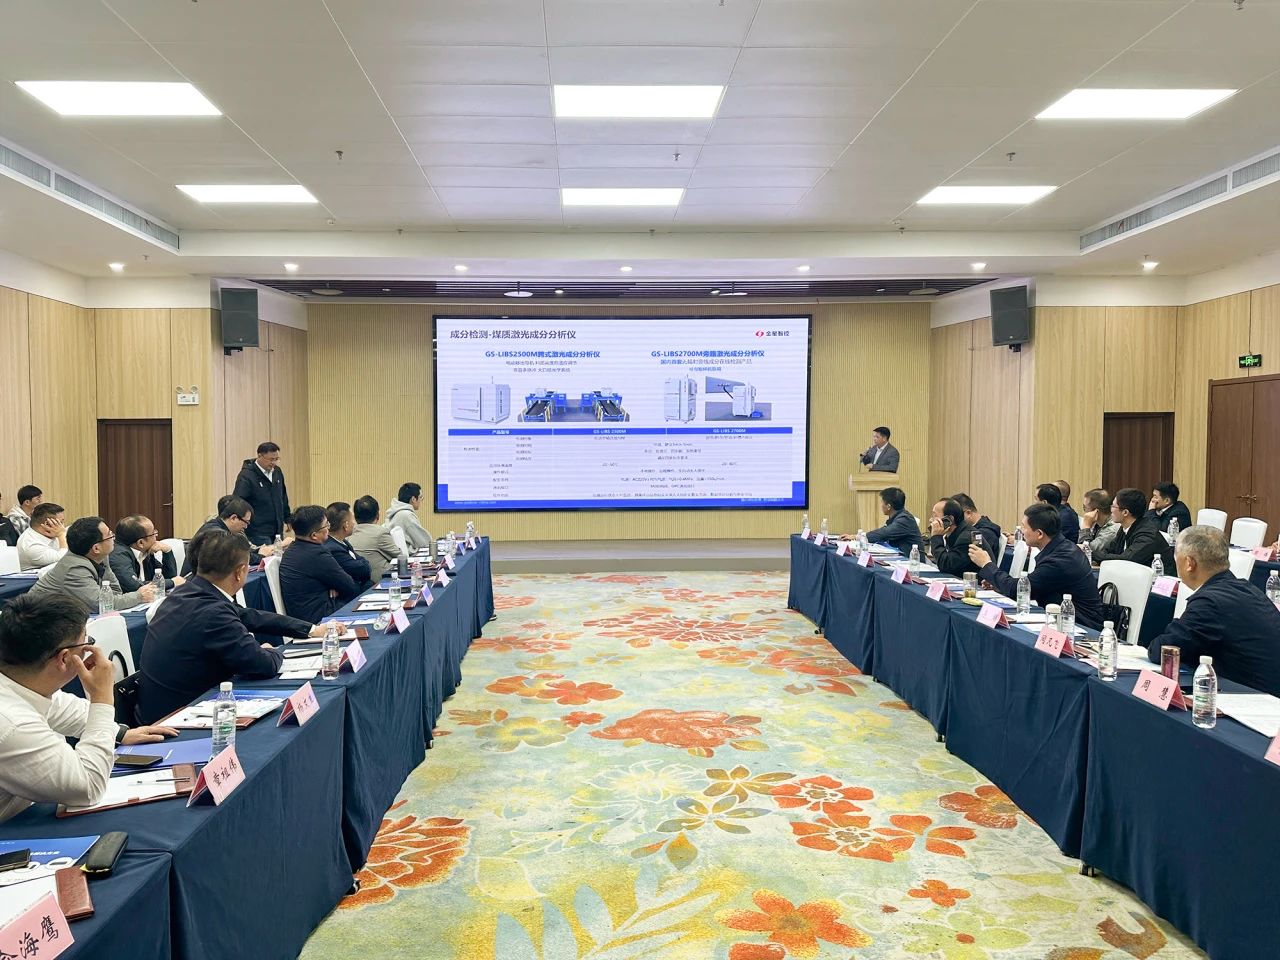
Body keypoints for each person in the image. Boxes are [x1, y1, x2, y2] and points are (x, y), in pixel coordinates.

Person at [0, 593, 178, 822]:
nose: (89, 650)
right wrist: (102, 697)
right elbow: (88, 787)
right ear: (65, 658)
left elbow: (65, 709)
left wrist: (119, 733)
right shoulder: (12, 724)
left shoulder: (20, 682)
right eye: (87, 643)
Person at [138, 530, 286, 724]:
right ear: (240, 572)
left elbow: (246, 619)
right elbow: (263, 665)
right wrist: (272, 651)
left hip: (158, 707)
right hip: (179, 717)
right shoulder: (214, 612)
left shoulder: (184, 593)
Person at [1146, 526, 1280, 696]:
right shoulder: (1248, 589)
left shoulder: (1209, 603)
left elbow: (1162, 650)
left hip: (1258, 700)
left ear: (1189, 563)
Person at [969, 503, 1104, 629]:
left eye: (1024, 527)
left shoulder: (1060, 560)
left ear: (1039, 534)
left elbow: (1018, 590)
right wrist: (998, 585)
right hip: (1058, 619)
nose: (1021, 531)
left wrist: (986, 564)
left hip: (1080, 626)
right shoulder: (1059, 548)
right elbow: (1031, 587)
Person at [182, 529, 329, 642]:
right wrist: (269, 652)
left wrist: (311, 629)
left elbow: (253, 617)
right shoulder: (216, 613)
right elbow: (260, 663)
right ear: (239, 572)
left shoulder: (188, 592)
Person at [29, 517, 156, 613]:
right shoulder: (75, 569)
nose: (114, 538)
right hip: (38, 619)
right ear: (96, 548)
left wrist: (121, 599)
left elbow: (115, 591)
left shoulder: (101, 557)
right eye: (109, 536)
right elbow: (102, 604)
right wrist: (138, 596)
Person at [279, 505, 360, 623]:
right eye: (326, 525)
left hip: (301, 615)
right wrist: (333, 586)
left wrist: (333, 586)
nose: (329, 528)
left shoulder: (291, 549)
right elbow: (349, 586)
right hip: (320, 618)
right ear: (314, 535)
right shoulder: (317, 554)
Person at [181, 495, 276, 576]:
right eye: (246, 522)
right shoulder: (216, 534)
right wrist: (260, 556)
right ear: (233, 518)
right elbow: (234, 556)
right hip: (193, 581)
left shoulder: (220, 527)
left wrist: (258, 552)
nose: (246, 527)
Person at [1092, 487, 1174, 570]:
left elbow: (1127, 559)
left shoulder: (1147, 534)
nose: (1111, 510)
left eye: (1113, 506)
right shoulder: (1125, 527)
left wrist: (1093, 555)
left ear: (1125, 512)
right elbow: (1110, 550)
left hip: (1159, 577)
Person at [232, 442, 291, 545]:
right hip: (257, 531)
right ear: (260, 456)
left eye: (276, 459)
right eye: (271, 459)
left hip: (277, 530)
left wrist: (288, 518)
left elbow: (283, 496)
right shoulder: (247, 475)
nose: (274, 463)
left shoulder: (277, 472)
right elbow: (238, 501)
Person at [110, 515, 185, 593]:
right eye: (153, 534)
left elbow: (167, 577)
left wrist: (167, 552)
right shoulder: (118, 557)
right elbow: (134, 586)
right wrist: (172, 582)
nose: (156, 536)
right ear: (141, 543)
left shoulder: (145, 552)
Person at [324, 502, 373, 592]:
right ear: (346, 525)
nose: (354, 523)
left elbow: (363, 563)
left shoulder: (343, 542)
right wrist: (364, 563)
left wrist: (364, 563)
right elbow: (363, 570)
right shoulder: (333, 549)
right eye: (353, 519)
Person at [347, 495, 399, 578]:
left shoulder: (349, 533)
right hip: (380, 581)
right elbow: (400, 557)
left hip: (358, 581)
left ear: (355, 517)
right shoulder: (381, 533)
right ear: (377, 515)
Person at [927, 498, 979, 576]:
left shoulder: (967, 537)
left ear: (949, 519)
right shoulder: (958, 533)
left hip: (975, 582)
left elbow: (946, 566)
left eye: (935, 516)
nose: (931, 520)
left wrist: (936, 537)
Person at [865, 487, 923, 554]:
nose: (881, 506)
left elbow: (884, 534)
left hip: (913, 559)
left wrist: (862, 537)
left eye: (882, 503)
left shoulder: (905, 519)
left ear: (888, 506)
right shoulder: (897, 517)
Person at [16, 502, 67, 571]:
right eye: (61, 522)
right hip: (35, 577)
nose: (63, 526)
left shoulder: (53, 533)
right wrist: (61, 535)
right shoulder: (30, 544)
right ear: (48, 524)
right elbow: (65, 559)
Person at [387, 483, 434, 554]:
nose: (421, 500)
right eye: (420, 497)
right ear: (413, 499)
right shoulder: (406, 515)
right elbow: (425, 542)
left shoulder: (397, 512)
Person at [1078, 488, 1120, 554]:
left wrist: (1086, 527)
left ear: (1095, 511)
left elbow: (1085, 552)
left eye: (1085, 508)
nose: (1084, 512)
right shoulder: (1098, 525)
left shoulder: (1111, 531)